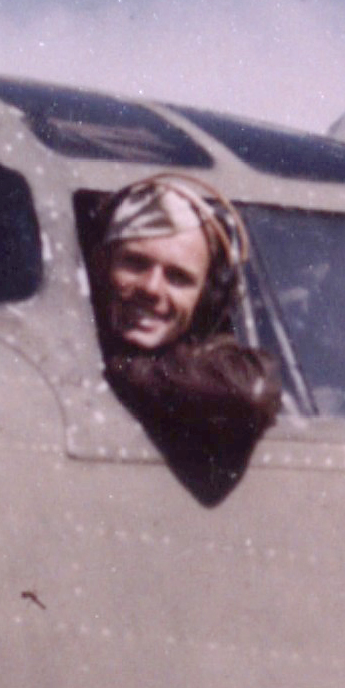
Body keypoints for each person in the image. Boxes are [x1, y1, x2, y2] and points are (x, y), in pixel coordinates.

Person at [87, 172, 280, 490]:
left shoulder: (210, 361)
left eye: (178, 277)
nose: (151, 288)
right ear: (100, 264)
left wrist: (125, 366)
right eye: (135, 263)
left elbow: (250, 391)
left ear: (205, 296)